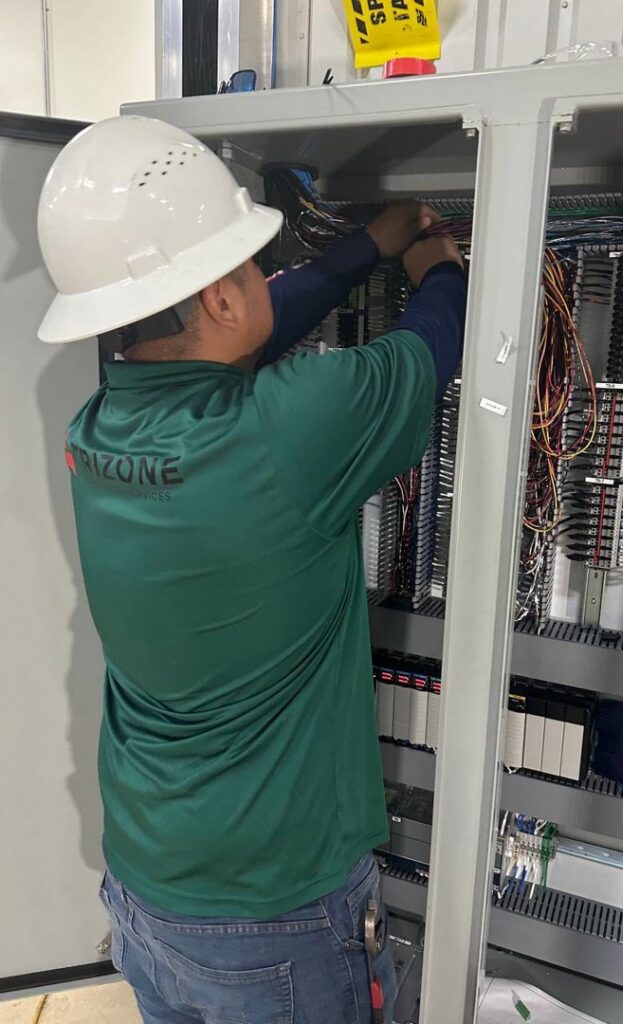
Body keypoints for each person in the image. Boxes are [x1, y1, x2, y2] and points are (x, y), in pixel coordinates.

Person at [37, 115, 466, 1024]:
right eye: (249, 268)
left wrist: (361, 251)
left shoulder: (95, 432)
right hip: (278, 918)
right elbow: (430, 349)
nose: (268, 280)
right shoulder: (289, 428)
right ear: (225, 301)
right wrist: (438, 261)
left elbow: (246, 331)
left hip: (146, 892)